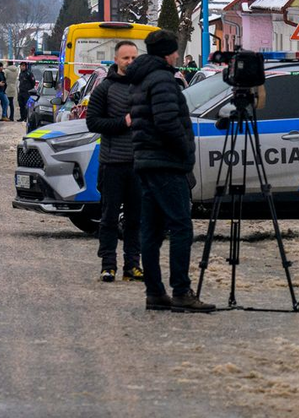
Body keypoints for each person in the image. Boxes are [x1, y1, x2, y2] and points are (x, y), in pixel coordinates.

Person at [128, 29, 213, 312]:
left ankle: (155, 292)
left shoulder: (141, 78)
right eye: (174, 51)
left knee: (151, 231)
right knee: (180, 227)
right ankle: (181, 290)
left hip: (147, 162)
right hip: (166, 163)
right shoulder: (162, 79)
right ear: (167, 53)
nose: (177, 55)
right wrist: (183, 149)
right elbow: (166, 122)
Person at [86, 40, 142, 283]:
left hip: (139, 163)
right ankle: (108, 265)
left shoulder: (144, 87)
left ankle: (133, 265)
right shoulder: (104, 89)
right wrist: (123, 122)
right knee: (109, 217)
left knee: (135, 218)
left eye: (133, 58)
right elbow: (93, 123)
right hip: (113, 163)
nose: (130, 62)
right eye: (125, 58)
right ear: (116, 60)